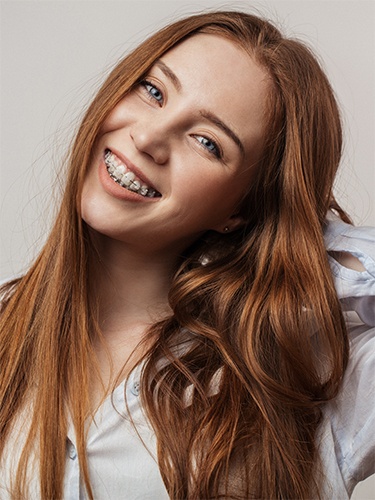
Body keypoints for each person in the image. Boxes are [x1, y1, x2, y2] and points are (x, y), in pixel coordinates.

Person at [0, 10, 374, 500]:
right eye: (153, 91)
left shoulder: (313, 368)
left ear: (241, 209)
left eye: (207, 143)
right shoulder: (8, 327)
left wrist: (294, 244)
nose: (149, 138)